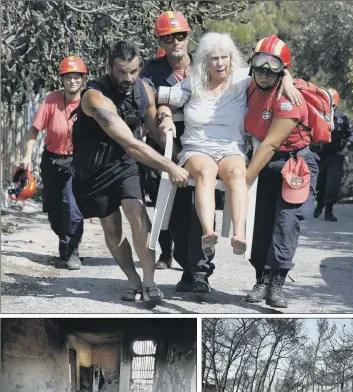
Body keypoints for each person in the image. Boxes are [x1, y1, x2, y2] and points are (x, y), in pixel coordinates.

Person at [156, 32, 302, 262]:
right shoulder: (192, 83)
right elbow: (165, 99)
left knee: (238, 173)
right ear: (205, 60)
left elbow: (271, 68)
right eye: (214, 58)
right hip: (197, 147)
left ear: (232, 59)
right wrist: (164, 115)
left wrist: (286, 78)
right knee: (206, 171)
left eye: (225, 57)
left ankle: (239, 235)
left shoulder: (243, 80)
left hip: (230, 146)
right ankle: (208, 233)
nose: (220, 63)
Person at [70, 40, 189, 305]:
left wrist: (181, 156)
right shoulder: (95, 97)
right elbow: (132, 143)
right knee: (112, 228)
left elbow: (154, 131)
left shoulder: (143, 89)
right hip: (93, 169)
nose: (128, 77)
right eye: (122, 71)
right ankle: (132, 279)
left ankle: (149, 281)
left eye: (133, 71)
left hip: (124, 164)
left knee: (137, 212)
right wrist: (170, 167)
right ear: (109, 67)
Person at [140, 11, 218, 293]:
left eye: (180, 35)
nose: (175, 41)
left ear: (189, 35)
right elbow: (149, 108)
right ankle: (187, 266)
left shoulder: (207, 62)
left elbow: (246, 77)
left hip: (203, 147)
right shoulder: (150, 71)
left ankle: (200, 273)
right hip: (166, 148)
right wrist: (163, 127)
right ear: (160, 40)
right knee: (173, 215)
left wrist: (284, 76)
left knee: (201, 209)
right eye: (168, 37)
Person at [243, 35, 320, 308]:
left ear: (282, 69)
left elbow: (272, 143)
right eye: (259, 64)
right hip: (266, 163)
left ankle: (277, 284)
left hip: (293, 163)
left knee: (286, 223)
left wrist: (244, 180)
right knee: (260, 223)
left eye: (272, 67)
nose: (264, 72)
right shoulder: (250, 85)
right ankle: (261, 280)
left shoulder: (288, 98)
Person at [20, 56, 88, 270]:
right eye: (68, 78)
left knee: (71, 205)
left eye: (76, 77)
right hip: (52, 159)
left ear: (83, 79)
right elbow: (34, 130)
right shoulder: (51, 100)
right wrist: (26, 156)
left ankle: (73, 250)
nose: (72, 82)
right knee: (53, 207)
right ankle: (64, 248)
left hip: (76, 162)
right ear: (62, 80)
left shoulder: (89, 101)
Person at [313, 88, 353, 221]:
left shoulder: (342, 118)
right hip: (321, 154)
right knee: (320, 183)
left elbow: (351, 135)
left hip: (336, 154)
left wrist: (348, 146)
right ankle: (319, 204)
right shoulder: (317, 116)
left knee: (333, 184)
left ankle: (329, 211)